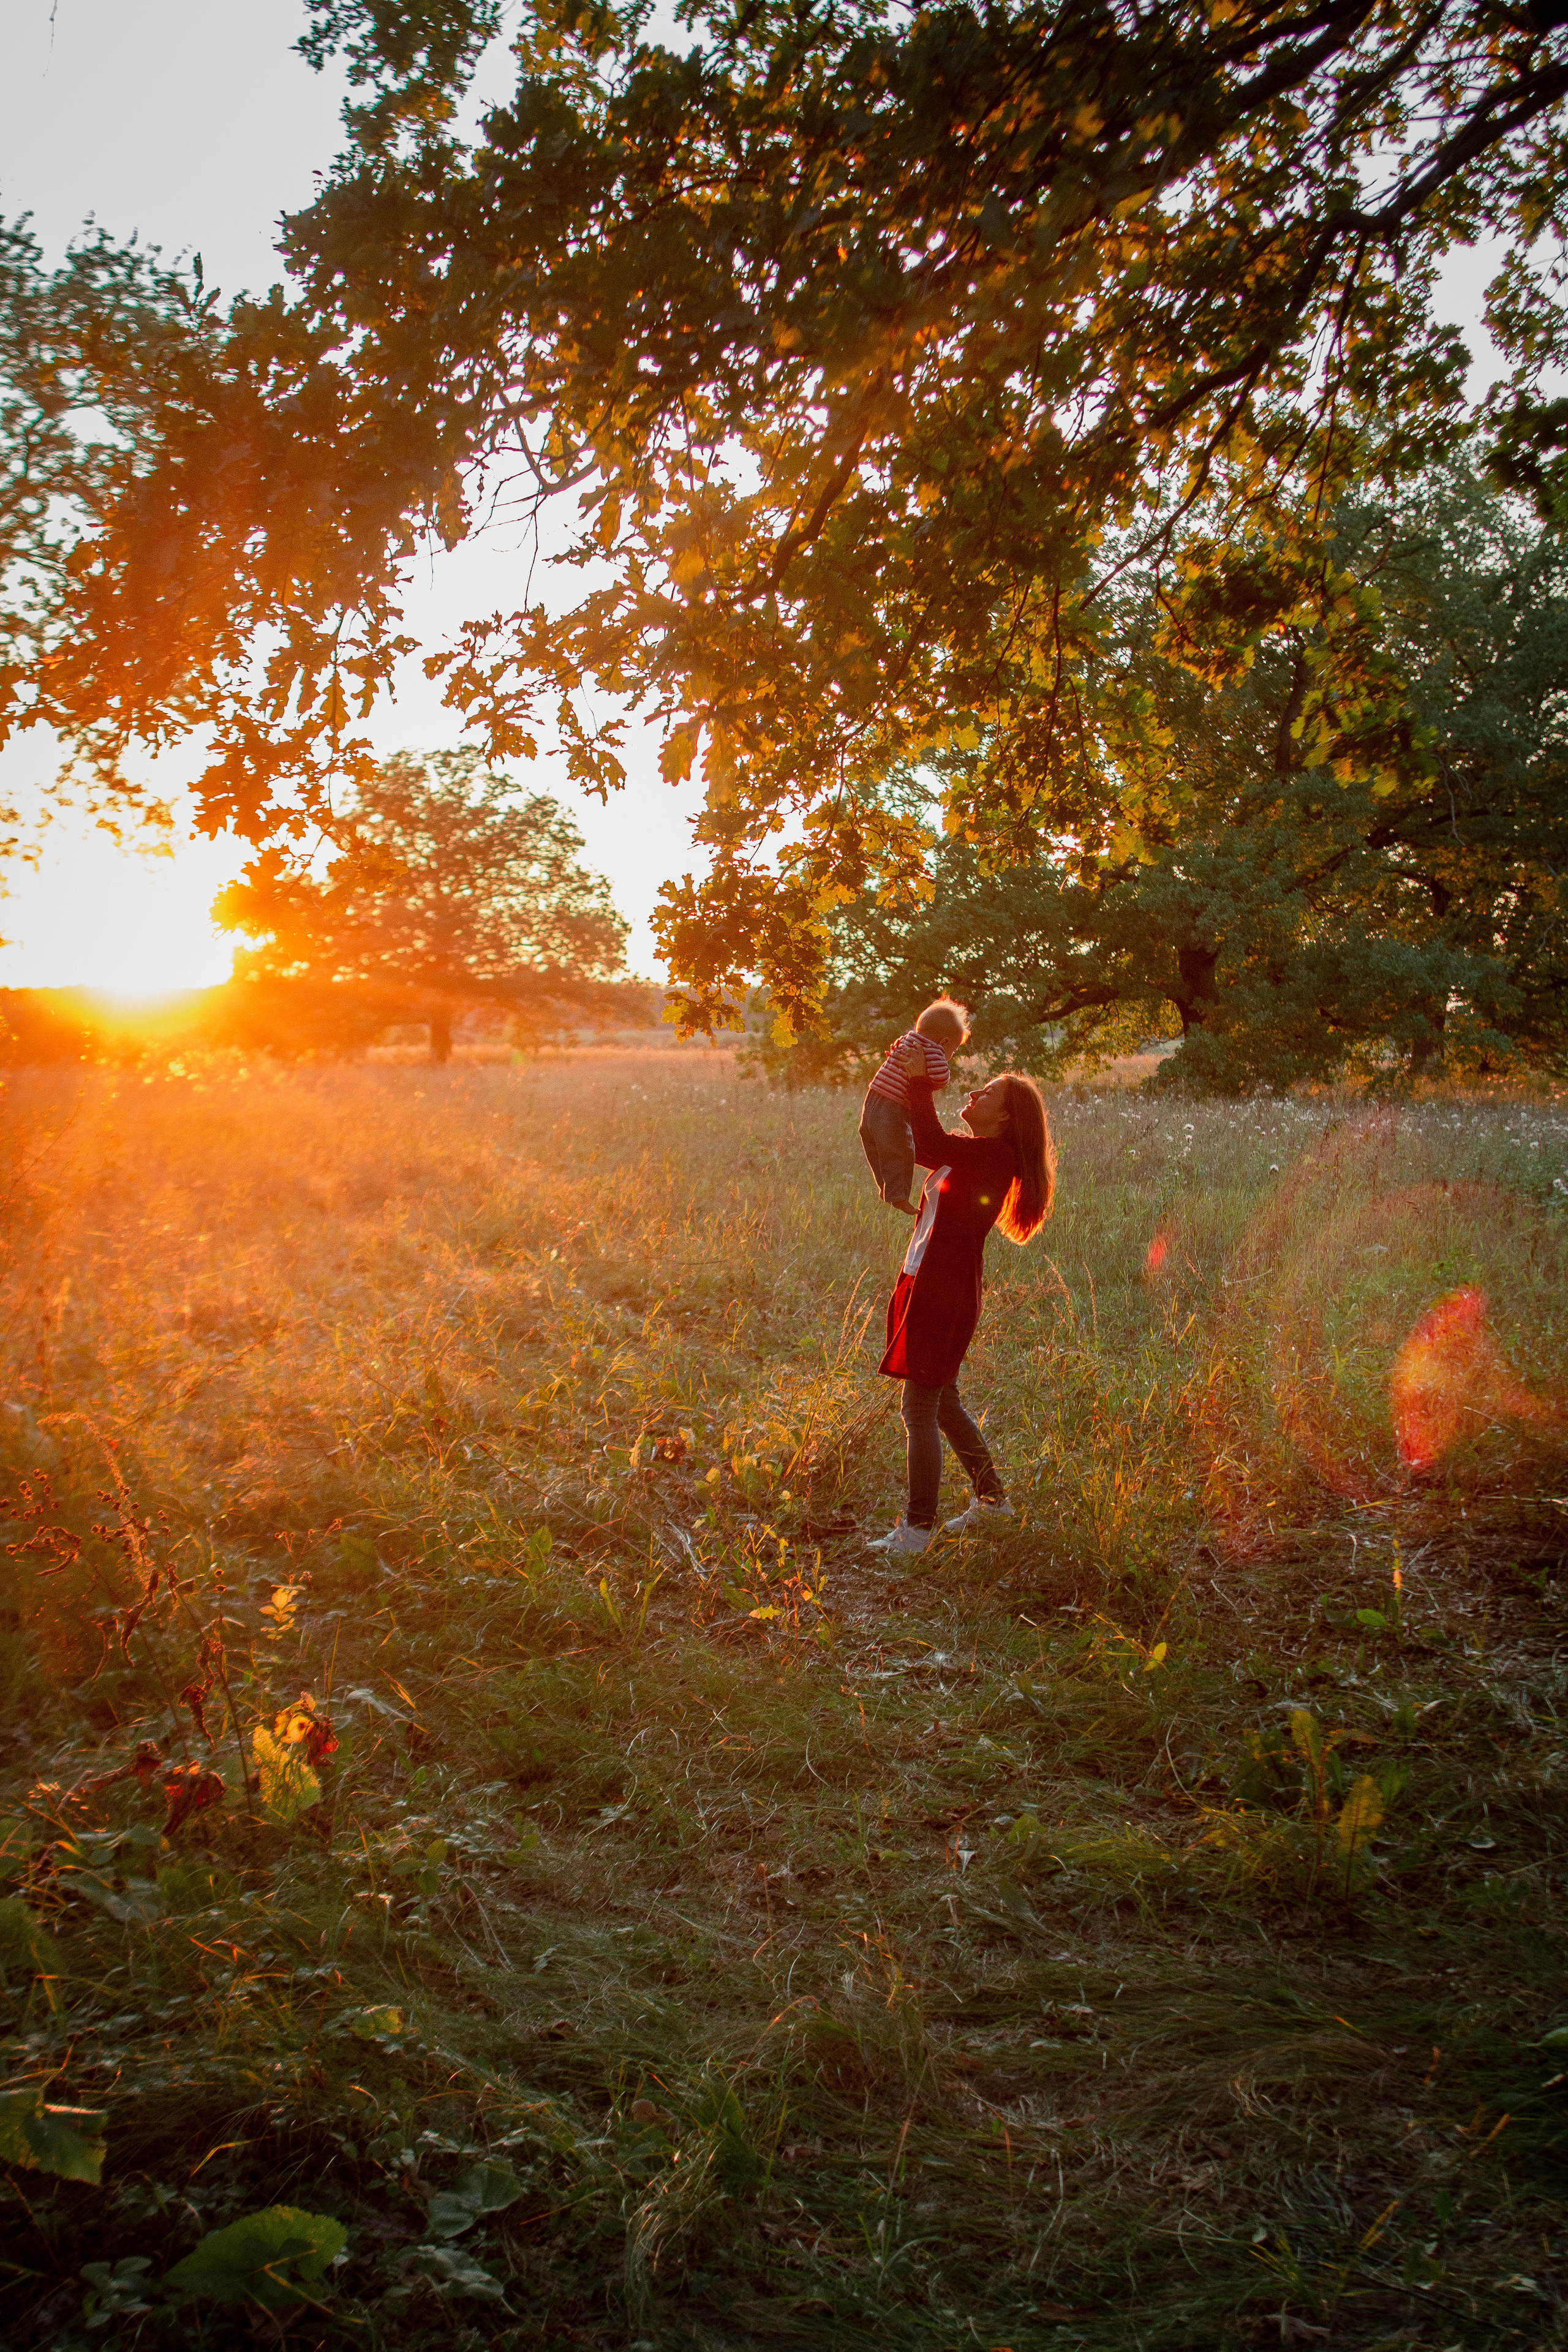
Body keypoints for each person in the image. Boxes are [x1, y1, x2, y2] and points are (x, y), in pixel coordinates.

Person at [869, 1045, 1055, 1553]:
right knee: (944, 1402)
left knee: (920, 1409)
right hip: (933, 1286)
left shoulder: (994, 1156)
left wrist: (919, 1081)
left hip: (943, 1294)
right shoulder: (978, 1155)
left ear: (1006, 1116)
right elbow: (925, 1147)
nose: (974, 1092)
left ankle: (917, 1530)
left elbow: (925, 1140)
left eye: (987, 1092)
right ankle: (994, 1505)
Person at [858, 998, 970, 1217]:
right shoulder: (935, 1051)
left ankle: (885, 1186)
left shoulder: (907, 1039)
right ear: (945, 1041)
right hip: (894, 1106)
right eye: (953, 1051)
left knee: (874, 1141)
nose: (950, 1056)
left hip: (874, 1098)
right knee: (901, 1148)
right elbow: (940, 1078)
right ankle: (898, 1195)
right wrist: (934, 1076)